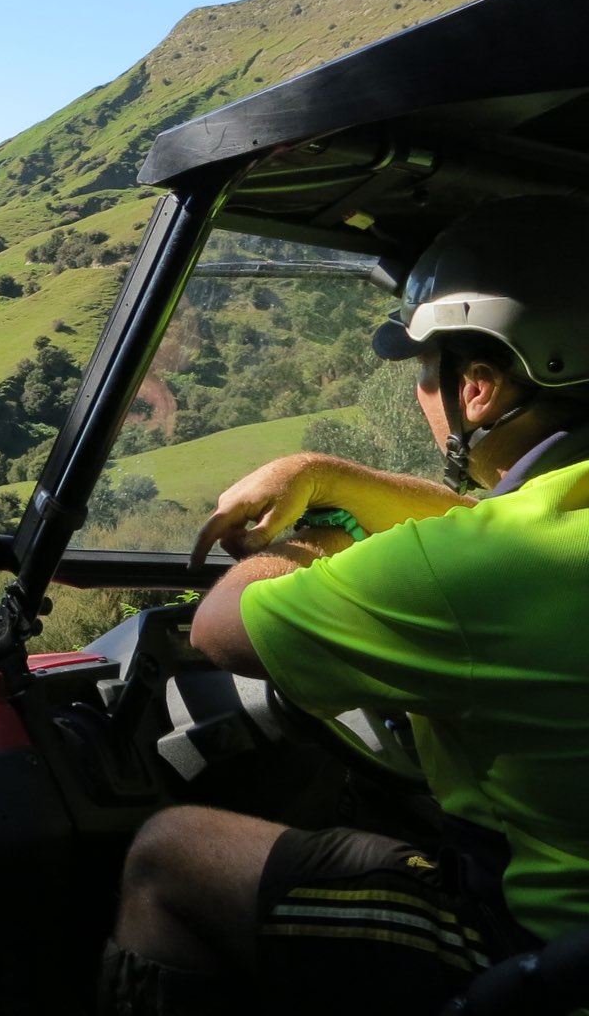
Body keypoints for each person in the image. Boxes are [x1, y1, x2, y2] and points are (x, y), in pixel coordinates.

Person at [99, 194, 589, 1015]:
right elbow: (501, 528)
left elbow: (222, 629)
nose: (418, 394)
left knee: (169, 855)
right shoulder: (535, 536)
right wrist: (332, 474)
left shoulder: (461, 572)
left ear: (477, 387)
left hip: (542, 955)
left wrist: (315, 538)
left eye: (424, 373)